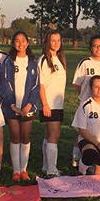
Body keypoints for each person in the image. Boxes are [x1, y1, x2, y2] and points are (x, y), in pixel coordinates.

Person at [0, 30, 40, 182]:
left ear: (27, 43)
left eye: (23, 41)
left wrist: (29, 104)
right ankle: (16, 170)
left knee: (25, 137)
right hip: (12, 107)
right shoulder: (8, 62)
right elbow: (4, 84)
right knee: (15, 137)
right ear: (13, 43)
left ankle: (24, 170)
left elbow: (36, 86)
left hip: (28, 107)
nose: (20, 43)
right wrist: (12, 105)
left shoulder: (33, 62)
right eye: (17, 41)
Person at [71, 35, 100, 168]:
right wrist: (86, 98)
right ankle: (76, 157)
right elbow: (77, 84)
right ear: (91, 48)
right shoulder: (85, 63)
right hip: (87, 105)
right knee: (82, 132)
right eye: (95, 45)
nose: (98, 48)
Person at [38, 30, 67, 178]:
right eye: (53, 40)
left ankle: (45, 166)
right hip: (49, 104)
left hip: (57, 103)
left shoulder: (59, 58)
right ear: (47, 42)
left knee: (48, 135)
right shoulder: (44, 60)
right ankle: (52, 170)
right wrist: (45, 105)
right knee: (54, 136)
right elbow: (41, 85)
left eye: (58, 40)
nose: (56, 43)